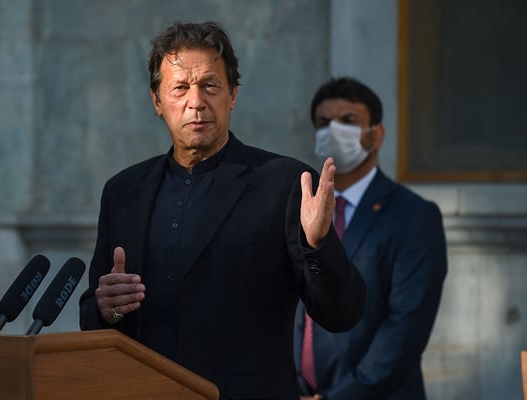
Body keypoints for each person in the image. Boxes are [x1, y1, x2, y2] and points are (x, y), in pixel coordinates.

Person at [79, 21, 366, 399]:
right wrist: (106, 308)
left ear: (232, 95)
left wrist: (318, 243)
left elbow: (341, 313)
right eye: (179, 88)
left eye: (210, 86)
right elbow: (94, 318)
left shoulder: (286, 184)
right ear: (157, 101)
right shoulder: (123, 191)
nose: (195, 102)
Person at [294, 77, 447, 399]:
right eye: (324, 122)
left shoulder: (414, 217)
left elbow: (404, 330)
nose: (334, 131)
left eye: (348, 121)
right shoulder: (298, 209)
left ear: (376, 134)